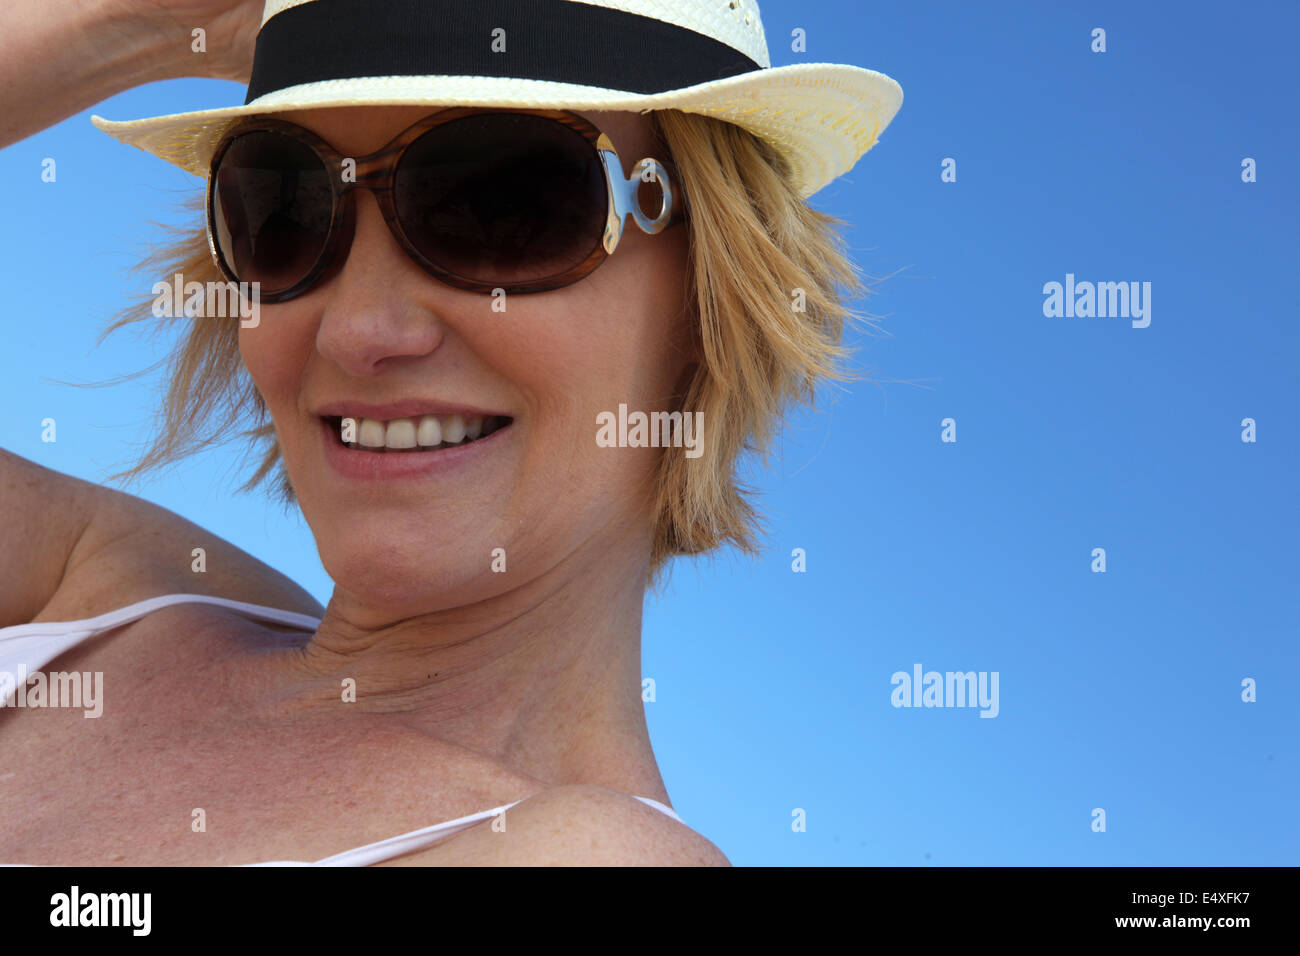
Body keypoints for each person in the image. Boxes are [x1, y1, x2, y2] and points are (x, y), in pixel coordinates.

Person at [0, 0, 902, 865]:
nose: (358, 331)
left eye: (501, 207)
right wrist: (143, 21)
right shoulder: (100, 591)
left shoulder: (587, 856)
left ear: (713, 297)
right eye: (287, 208)